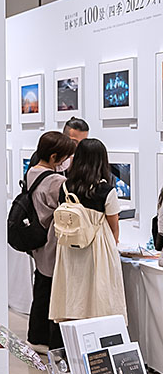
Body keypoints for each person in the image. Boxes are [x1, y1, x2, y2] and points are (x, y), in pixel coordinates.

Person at [50, 138, 126, 323]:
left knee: (74, 292)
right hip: (98, 248)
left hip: (70, 247)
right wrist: (113, 242)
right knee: (99, 298)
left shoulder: (66, 187)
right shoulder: (106, 190)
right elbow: (113, 225)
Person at [24, 132, 77, 351]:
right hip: (53, 242)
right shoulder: (56, 181)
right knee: (53, 293)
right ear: (55, 157)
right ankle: (50, 340)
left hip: (38, 240)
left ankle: (36, 337)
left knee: (41, 288)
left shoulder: (32, 172)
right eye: (65, 157)